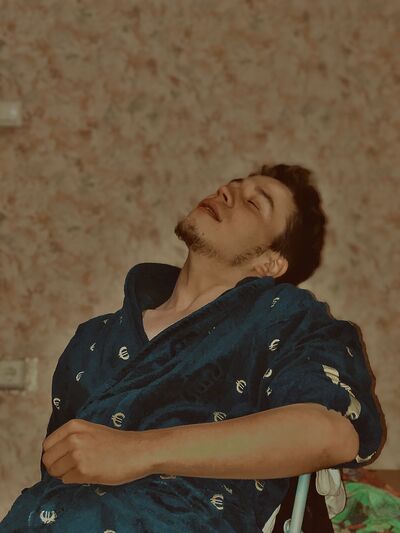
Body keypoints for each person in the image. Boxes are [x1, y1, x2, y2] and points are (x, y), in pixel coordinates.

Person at [1, 163, 385, 532]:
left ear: (270, 262)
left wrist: (138, 451)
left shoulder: (285, 317)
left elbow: (330, 433)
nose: (227, 191)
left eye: (255, 202)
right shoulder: (95, 337)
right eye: (232, 185)